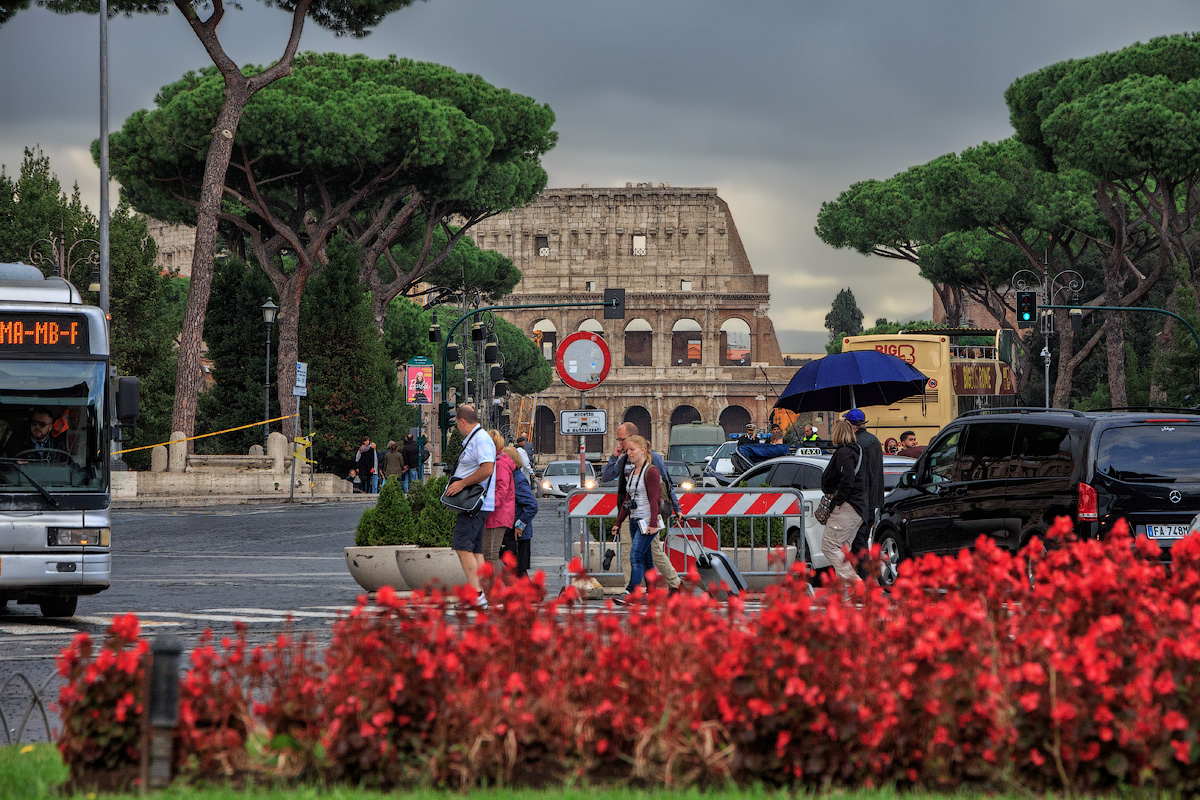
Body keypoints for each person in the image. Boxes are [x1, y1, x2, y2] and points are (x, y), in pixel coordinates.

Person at [600, 422, 682, 592]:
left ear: (633, 438)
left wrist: (677, 508)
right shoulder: (624, 458)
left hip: (648, 514)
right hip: (629, 512)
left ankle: (675, 584)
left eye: (622, 439)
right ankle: (634, 590)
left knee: (652, 553)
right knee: (628, 552)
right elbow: (606, 477)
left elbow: (667, 484)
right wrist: (613, 457)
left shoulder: (653, 458)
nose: (620, 443)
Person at [444, 404, 496, 609]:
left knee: (462, 546)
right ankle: (481, 594)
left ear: (462, 421)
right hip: (476, 505)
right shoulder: (479, 438)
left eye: (457, 424)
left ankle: (477, 596)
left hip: (474, 504)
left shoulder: (480, 439)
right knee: (475, 550)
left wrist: (462, 484)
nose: (457, 428)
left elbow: (488, 469)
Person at [610, 435, 662, 605]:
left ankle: (631, 592)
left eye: (632, 450)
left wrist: (653, 524)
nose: (629, 453)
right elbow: (627, 499)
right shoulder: (632, 472)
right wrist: (618, 522)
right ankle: (653, 593)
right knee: (646, 559)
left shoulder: (651, 471)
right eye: (627, 450)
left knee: (636, 555)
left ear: (642, 451)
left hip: (646, 521)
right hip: (634, 520)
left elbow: (654, 500)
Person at [820, 419, 868, 583]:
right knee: (843, 549)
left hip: (847, 506)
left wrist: (838, 501)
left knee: (829, 546)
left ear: (838, 434)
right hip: (859, 506)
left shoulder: (844, 453)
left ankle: (855, 583)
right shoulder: (858, 451)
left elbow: (847, 480)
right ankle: (847, 591)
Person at [844, 409, 884, 565]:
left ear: (850, 425)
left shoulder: (856, 444)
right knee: (862, 540)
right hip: (873, 498)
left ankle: (863, 575)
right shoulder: (874, 440)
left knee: (858, 543)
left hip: (860, 500)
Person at [482, 429, 516, 591]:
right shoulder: (496, 462)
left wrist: (486, 506)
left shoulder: (500, 464)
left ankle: (497, 590)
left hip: (497, 514)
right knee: (490, 555)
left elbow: (501, 490)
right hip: (495, 514)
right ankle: (514, 588)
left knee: (491, 555)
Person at [502, 445, 538, 578]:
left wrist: (519, 525)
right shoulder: (514, 476)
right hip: (515, 531)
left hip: (519, 533)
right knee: (517, 571)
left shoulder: (517, 479)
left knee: (518, 571)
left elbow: (532, 506)